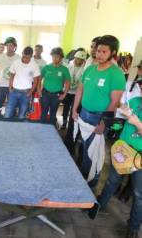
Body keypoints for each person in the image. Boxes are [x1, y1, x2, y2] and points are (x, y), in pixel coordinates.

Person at [72, 35, 126, 188]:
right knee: (83, 147)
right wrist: (75, 109)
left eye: (103, 51)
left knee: (94, 152)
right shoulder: (89, 69)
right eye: (97, 51)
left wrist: (103, 123)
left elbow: (114, 101)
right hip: (84, 114)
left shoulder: (116, 74)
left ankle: (90, 185)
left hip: (99, 117)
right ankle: (83, 177)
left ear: (113, 53)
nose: (99, 54)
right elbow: (80, 90)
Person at [88, 87, 142, 238]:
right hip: (123, 150)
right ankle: (99, 205)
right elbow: (121, 107)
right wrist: (123, 109)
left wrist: (138, 123)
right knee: (112, 181)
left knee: (139, 195)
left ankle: (133, 227)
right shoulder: (136, 101)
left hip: (140, 158)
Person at [4, 46, 40, 119]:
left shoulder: (34, 65)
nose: (25, 59)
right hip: (14, 91)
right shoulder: (16, 62)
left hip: (26, 93)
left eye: (28, 57)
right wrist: (10, 88)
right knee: (8, 114)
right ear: (22, 54)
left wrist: (30, 92)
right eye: (24, 56)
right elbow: (12, 76)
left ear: (31, 56)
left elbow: (36, 81)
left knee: (22, 115)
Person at [39, 47, 71, 125]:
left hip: (57, 95)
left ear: (61, 58)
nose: (54, 58)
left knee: (53, 114)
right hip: (45, 94)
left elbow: (68, 82)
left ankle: (52, 132)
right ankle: (40, 130)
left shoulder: (64, 69)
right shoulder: (46, 67)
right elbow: (39, 79)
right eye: (53, 56)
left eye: (57, 56)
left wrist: (64, 94)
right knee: (43, 113)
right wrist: (39, 90)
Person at [0, 37, 20, 116]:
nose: (9, 47)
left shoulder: (18, 58)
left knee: (12, 103)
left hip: (13, 85)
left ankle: (11, 118)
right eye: (8, 45)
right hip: (1, 84)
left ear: (15, 46)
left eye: (11, 45)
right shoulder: (0, 56)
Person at [62, 50, 87, 128]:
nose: (77, 60)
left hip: (77, 93)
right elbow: (64, 78)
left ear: (83, 61)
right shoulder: (69, 66)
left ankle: (72, 125)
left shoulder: (85, 69)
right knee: (66, 108)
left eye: (80, 59)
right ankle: (64, 122)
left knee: (74, 109)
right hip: (68, 91)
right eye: (76, 58)